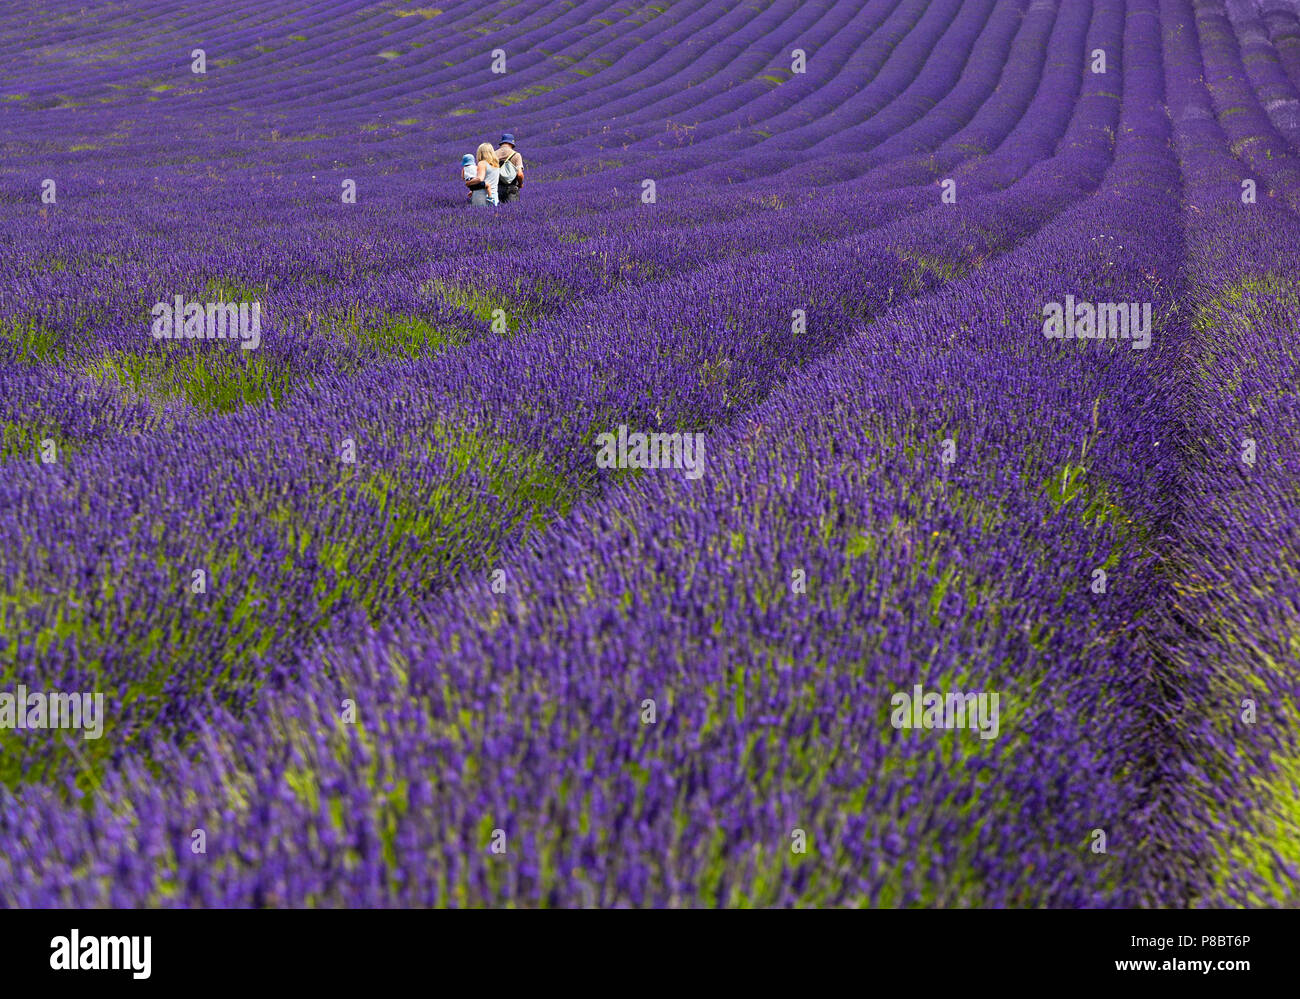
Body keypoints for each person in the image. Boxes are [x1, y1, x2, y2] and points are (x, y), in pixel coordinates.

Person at [494, 132, 524, 203]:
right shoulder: (516, 155)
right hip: (512, 188)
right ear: (511, 143)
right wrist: (520, 184)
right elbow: (520, 174)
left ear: (502, 143)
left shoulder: (493, 154)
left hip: (496, 188)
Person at [471, 142, 500, 206]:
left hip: (482, 197)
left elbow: (480, 179)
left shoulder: (482, 163)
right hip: (494, 196)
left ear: (480, 153)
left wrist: (469, 183)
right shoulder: (496, 165)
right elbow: (489, 179)